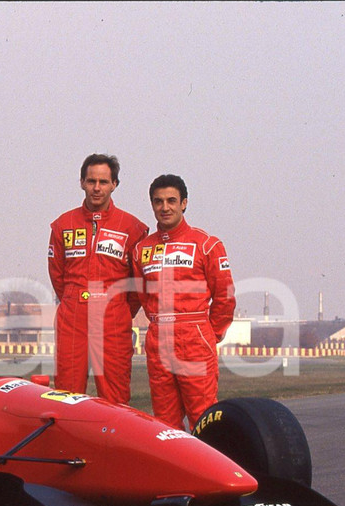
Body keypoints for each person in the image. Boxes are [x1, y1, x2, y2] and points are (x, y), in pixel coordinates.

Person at [131, 174, 235, 429]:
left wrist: (210, 334)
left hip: (195, 337)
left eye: (171, 201)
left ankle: (207, 468)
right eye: (158, 202)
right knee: (164, 420)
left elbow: (225, 297)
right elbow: (143, 295)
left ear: (184, 203)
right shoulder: (141, 249)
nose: (165, 207)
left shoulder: (207, 244)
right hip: (158, 338)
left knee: (203, 414)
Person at [47, 154, 148, 403]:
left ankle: (114, 443)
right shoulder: (63, 225)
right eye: (91, 181)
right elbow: (57, 274)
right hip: (73, 318)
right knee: (66, 396)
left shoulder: (132, 227)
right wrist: (74, 300)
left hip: (113, 319)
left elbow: (138, 283)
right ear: (81, 182)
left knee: (115, 398)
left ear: (115, 184)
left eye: (103, 182)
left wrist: (121, 308)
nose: (96, 188)